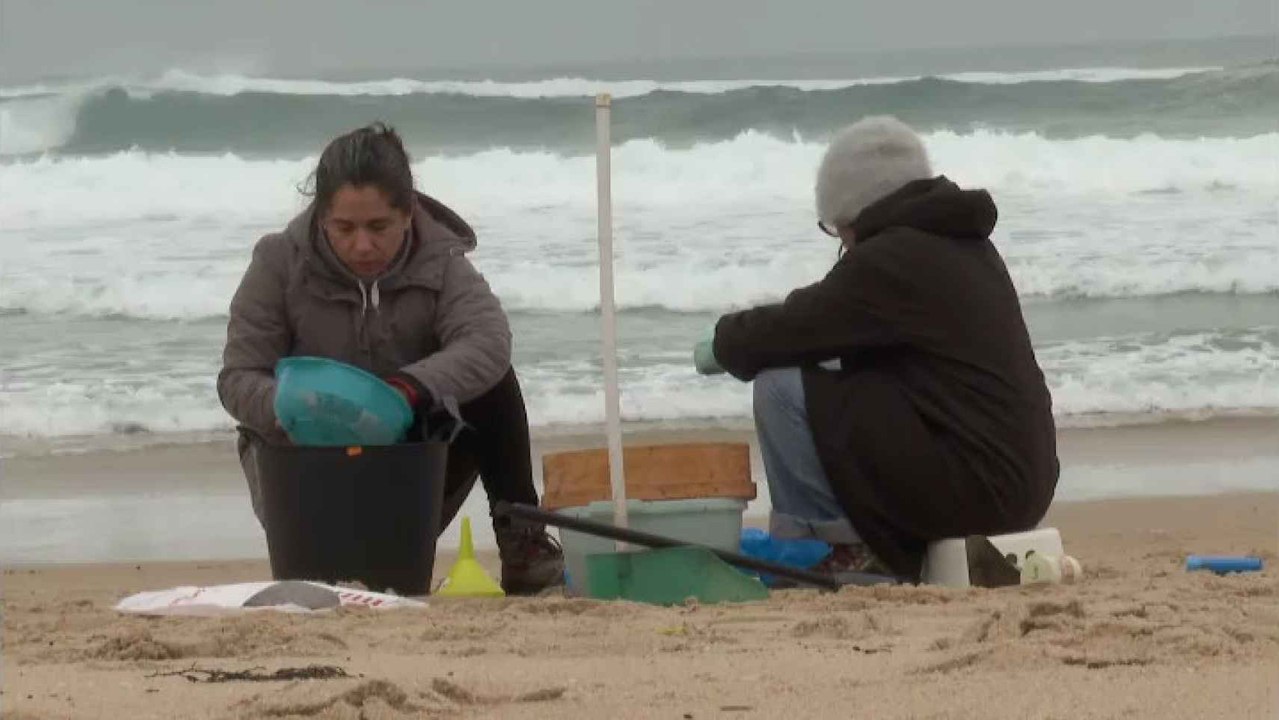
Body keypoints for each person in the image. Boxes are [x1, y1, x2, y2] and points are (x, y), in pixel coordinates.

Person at [695, 116, 1059, 581]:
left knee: (780, 387)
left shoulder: (895, 258)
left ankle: (830, 548)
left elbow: (796, 325)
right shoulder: (962, 246)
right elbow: (837, 327)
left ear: (856, 211)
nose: (842, 241)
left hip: (979, 488)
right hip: (1017, 480)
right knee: (832, 374)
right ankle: (845, 543)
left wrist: (722, 342)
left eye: (837, 227)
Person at [218, 123, 564, 595]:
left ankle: (522, 541)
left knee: (494, 383)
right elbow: (237, 377)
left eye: (378, 227)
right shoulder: (278, 263)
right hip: (304, 464)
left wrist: (406, 390)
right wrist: (295, 403)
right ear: (321, 217)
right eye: (344, 228)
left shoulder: (440, 261)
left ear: (408, 214)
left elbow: (487, 341)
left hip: (406, 462)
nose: (362, 245)